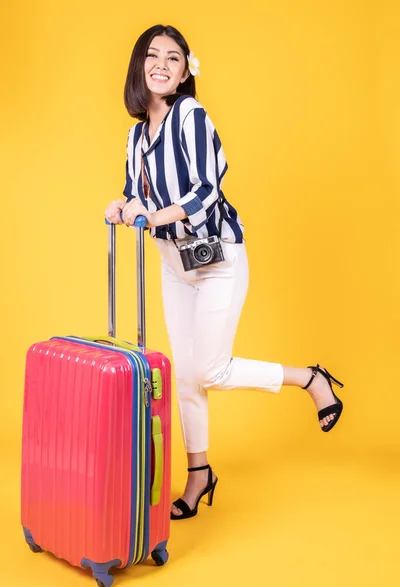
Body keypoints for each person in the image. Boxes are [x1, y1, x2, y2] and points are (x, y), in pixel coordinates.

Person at [104, 24, 344, 521]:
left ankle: (310, 379)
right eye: (154, 56)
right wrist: (121, 205)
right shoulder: (135, 135)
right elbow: (134, 191)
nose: (162, 65)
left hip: (218, 260)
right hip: (176, 265)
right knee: (185, 376)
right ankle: (199, 475)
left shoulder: (190, 116)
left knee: (209, 369)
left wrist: (158, 214)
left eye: (174, 58)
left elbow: (207, 188)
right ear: (139, 65)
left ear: (184, 70)